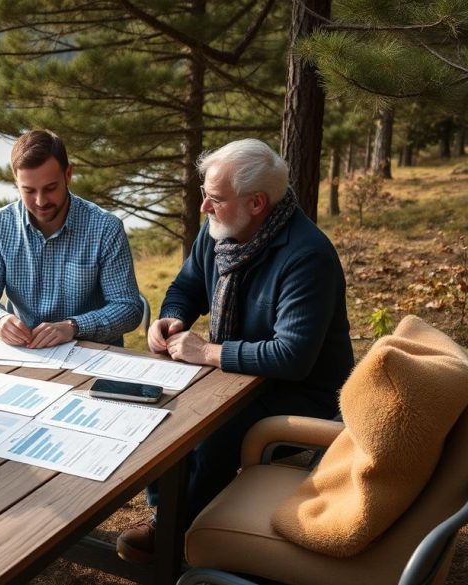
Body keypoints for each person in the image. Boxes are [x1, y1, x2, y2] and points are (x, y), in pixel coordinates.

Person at [116, 139, 354, 562]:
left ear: (257, 203)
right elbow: (186, 287)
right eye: (205, 194)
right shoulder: (221, 232)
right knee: (152, 402)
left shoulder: (307, 256)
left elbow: (292, 357)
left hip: (300, 393)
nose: (204, 207)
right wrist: (171, 318)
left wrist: (207, 352)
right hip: (236, 375)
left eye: (215, 198)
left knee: (209, 432)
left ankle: (179, 539)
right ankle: (167, 513)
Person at [0, 129, 142, 348]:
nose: (40, 201)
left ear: (68, 174)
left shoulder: (105, 228)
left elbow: (129, 308)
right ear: (15, 181)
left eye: (50, 188)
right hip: (28, 355)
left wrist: (73, 327)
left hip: (92, 356)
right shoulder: (0, 226)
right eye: (28, 190)